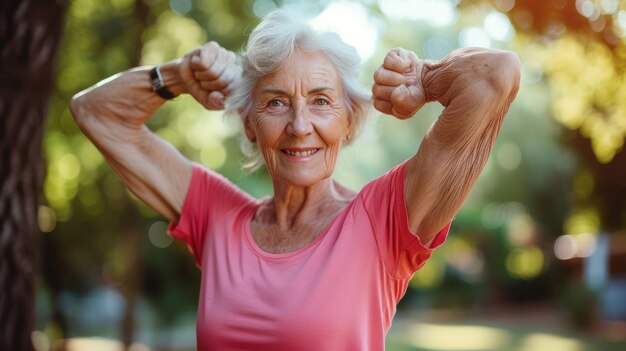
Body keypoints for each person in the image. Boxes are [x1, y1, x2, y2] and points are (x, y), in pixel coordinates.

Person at [70, 9, 520, 351]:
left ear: (349, 122)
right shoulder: (216, 214)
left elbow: (497, 74)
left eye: (321, 101)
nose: (299, 125)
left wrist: (425, 79)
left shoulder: (382, 221)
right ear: (249, 125)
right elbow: (94, 112)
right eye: (276, 103)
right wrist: (179, 76)